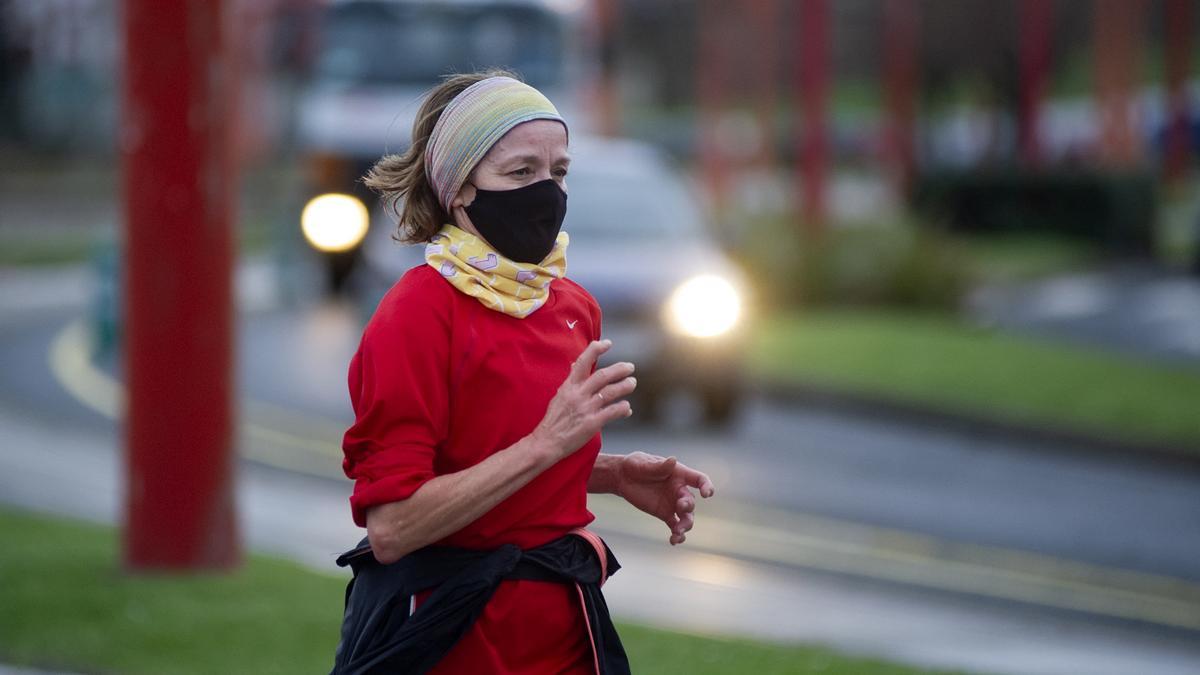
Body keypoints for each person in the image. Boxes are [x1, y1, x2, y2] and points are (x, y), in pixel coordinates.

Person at [330, 70, 716, 675]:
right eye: (519, 173)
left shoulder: (572, 306)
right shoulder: (415, 315)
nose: (546, 191)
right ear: (459, 189)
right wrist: (548, 445)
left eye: (558, 172)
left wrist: (606, 474)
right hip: (451, 632)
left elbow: (489, 454)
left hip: (567, 626)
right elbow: (395, 526)